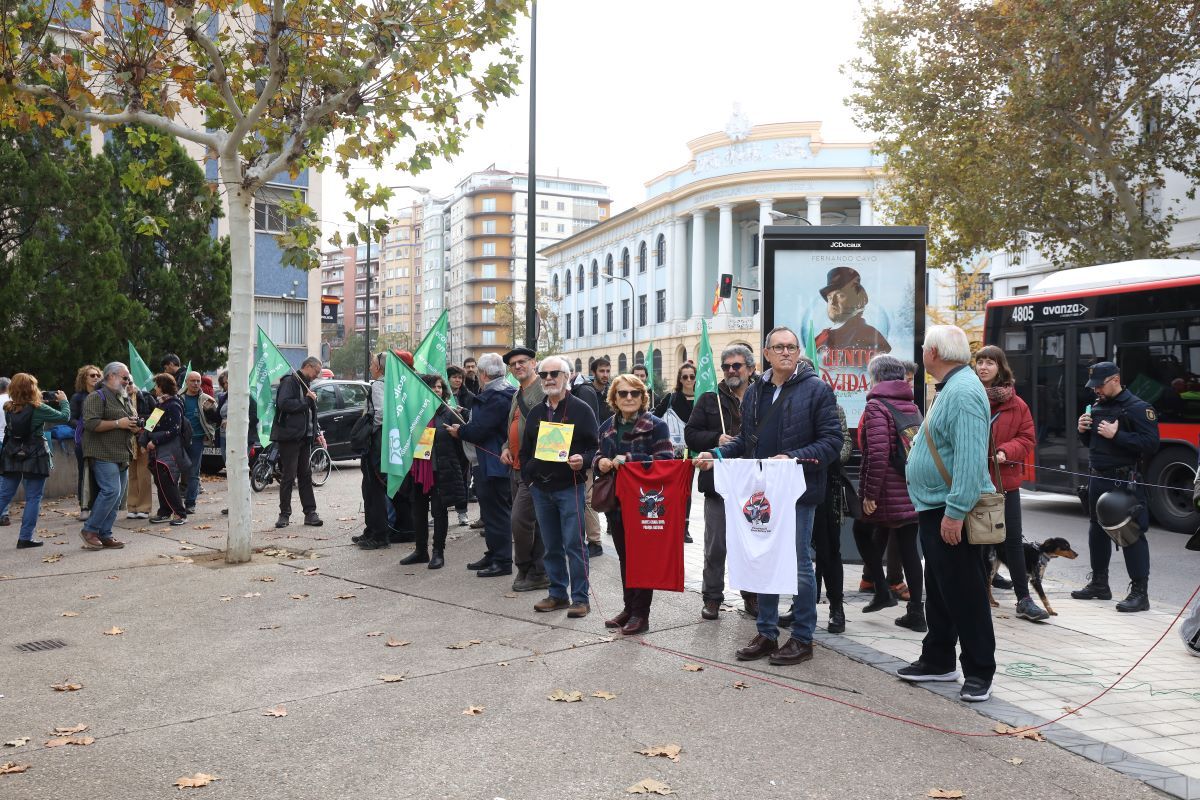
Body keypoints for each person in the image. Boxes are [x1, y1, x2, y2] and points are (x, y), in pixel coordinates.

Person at [696, 326, 843, 667]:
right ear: (766, 354)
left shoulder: (817, 389)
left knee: (800, 565)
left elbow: (832, 441)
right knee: (764, 559)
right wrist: (715, 456)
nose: (786, 352)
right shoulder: (756, 390)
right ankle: (766, 632)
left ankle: (803, 638)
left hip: (798, 492)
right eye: (779, 347)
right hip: (763, 492)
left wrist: (794, 457)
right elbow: (745, 440)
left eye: (791, 347)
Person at [896, 325, 995, 702]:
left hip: (950, 510)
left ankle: (979, 670)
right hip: (935, 505)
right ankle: (938, 660)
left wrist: (955, 512)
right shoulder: (952, 387)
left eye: (924, 347)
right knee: (939, 589)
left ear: (934, 352)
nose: (922, 352)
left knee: (965, 592)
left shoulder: (965, 391)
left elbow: (971, 459)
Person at [1071, 361, 1159, 612]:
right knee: (1096, 531)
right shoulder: (1098, 407)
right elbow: (1094, 444)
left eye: (1099, 385)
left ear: (1115, 380)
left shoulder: (1138, 408)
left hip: (1123, 481)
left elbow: (1151, 444)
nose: (1096, 390)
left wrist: (1117, 435)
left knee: (1130, 533)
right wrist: (1083, 431)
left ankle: (1140, 594)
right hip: (1097, 478)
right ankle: (1100, 584)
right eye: (1093, 386)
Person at [594, 373, 674, 635]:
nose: (629, 398)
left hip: (645, 503)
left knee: (643, 560)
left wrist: (628, 458)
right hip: (616, 503)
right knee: (625, 559)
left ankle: (641, 614)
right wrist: (600, 463)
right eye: (623, 393)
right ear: (614, 398)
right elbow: (597, 454)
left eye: (634, 393)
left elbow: (665, 460)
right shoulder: (607, 425)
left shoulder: (656, 425)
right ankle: (629, 608)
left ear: (642, 397)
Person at [684, 344, 759, 620]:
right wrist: (716, 439)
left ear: (750, 368)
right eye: (726, 366)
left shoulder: (763, 395)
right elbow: (691, 435)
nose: (730, 371)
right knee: (716, 544)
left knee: (751, 544)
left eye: (736, 365)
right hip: (718, 482)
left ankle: (751, 596)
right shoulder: (708, 398)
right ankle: (712, 597)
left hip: (753, 483)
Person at [973, 345, 1047, 622]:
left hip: (1005, 483)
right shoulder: (967, 396)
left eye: (989, 362)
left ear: (1001, 367)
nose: (983, 367)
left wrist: (1006, 450)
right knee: (976, 542)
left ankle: (1023, 599)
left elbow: (1027, 438)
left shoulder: (1017, 404)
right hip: (972, 482)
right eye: (979, 362)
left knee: (1012, 541)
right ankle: (978, 595)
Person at [521, 356, 599, 617]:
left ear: (567, 377)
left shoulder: (580, 409)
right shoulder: (536, 412)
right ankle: (557, 594)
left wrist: (584, 460)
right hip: (541, 489)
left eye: (555, 373)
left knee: (574, 544)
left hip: (570, 487)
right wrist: (529, 479)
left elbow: (594, 447)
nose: (549, 379)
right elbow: (526, 451)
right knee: (551, 545)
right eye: (543, 375)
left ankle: (580, 599)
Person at [856, 354, 926, 631]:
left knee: (860, 531)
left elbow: (877, 454)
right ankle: (916, 612)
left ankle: (882, 590)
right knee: (909, 548)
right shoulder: (911, 405)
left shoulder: (876, 406)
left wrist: (869, 494)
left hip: (886, 489)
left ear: (875, 377)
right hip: (910, 487)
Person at [447, 352, 516, 577]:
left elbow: (479, 430)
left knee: (496, 513)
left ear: (484, 374)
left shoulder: (497, 396)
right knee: (490, 511)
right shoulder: (502, 392)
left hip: (493, 463)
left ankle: (502, 560)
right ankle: (494, 553)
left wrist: (460, 431)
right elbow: (485, 421)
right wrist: (467, 413)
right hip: (489, 462)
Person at [400, 374, 467, 569]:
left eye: (439, 386)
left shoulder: (449, 412)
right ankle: (421, 551)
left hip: (441, 470)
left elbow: (463, 442)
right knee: (418, 512)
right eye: (432, 386)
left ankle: (438, 552)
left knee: (439, 511)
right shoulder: (414, 413)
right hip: (418, 470)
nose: (437, 389)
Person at [499, 347, 550, 592]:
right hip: (516, 467)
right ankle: (536, 571)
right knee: (531, 522)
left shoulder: (543, 390)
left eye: (522, 362)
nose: (518, 366)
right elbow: (512, 425)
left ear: (534, 363)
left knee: (519, 520)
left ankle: (527, 567)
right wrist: (506, 447)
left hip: (534, 469)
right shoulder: (516, 394)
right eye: (513, 364)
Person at [0, 373, 69, 547]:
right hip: (35, 454)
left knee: (4, 495)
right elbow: (64, 416)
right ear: (33, 389)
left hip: (12, 452)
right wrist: (64, 400)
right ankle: (25, 538)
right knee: (33, 497)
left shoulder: (8, 407)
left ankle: (26, 537)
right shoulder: (39, 409)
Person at [80, 362, 140, 550]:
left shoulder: (123, 397)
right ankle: (90, 530)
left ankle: (105, 534)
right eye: (124, 377)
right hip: (102, 453)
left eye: (128, 378)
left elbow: (128, 421)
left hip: (122, 453)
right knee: (111, 491)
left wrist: (134, 425)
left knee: (118, 495)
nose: (127, 381)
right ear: (111, 376)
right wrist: (118, 423)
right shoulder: (95, 397)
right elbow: (90, 424)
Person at [270, 357, 325, 529]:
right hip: (290, 437)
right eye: (316, 372)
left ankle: (310, 513)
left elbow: (310, 414)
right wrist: (307, 401)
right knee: (288, 476)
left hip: (304, 437)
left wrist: (317, 432)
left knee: (305, 475)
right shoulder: (290, 382)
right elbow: (284, 404)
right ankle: (284, 514)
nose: (316, 376)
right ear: (308, 366)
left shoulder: (306, 383)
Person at [654, 361, 697, 542]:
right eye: (684, 376)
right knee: (671, 490)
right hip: (673, 452)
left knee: (686, 490)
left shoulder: (703, 398)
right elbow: (654, 417)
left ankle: (684, 527)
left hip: (693, 451)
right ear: (680, 379)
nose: (688, 380)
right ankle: (670, 524)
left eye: (692, 376)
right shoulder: (671, 398)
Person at [355, 353, 391, 550]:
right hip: (387, 442)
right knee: (373, 488)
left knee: (372, 489)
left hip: (376, 444)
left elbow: (381, 414)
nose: (370, 366)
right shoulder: (395, 384)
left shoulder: (378, 385)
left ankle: (378, 534)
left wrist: (371, 430)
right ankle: (372, 530)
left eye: (372, 363)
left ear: (380, 367)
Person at [144, 374, 190, 525]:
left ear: (163, 387)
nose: (155, 389)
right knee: (160, 482)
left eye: (157, 385)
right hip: (158, 451)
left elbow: (174, 430)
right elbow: (150, 425)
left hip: (169, 451)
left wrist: (155, 441)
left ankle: (180, 514)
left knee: (168, 482)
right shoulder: (161, 404)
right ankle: (164, 512)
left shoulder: (174, 404)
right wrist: (144, 438)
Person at [814, 267, 891, 353]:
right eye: (829, 297)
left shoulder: (871, 335)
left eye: (840, 296)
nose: (832, 302)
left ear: (856, 300)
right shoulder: (819, 338)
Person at [179, 371, 217, 514]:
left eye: (198, 381)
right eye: (193, 381)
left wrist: (211, 411)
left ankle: (190, 503)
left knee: (194, 473)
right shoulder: (179, 398)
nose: (196, 384)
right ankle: (174, 504)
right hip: (179, 440)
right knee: (175, 472)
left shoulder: (207, 399)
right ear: (187, 383)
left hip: (197, 440)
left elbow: (216, 419)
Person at [69, 365, 102, 517]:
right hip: (83, 439)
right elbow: (70, 418)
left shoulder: (104, 395)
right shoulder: (77, 398)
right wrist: (85, 425)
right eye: (92, 375)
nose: (96, 377)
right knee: (85, 472)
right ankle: (84, 507)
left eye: (97, 375)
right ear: (84, 378)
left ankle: (98, 506)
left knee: (102, 473)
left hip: (103, 440)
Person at [447, 365, 475, 527]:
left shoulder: (469, 396)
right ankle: (439, 512)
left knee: (462, 477)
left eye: (460, 377)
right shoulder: (440, 395)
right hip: (444, 441)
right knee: (443, 478)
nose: (457, 380)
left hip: (462, 440)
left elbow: (474, 416)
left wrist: (462, 411)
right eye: (454, 377)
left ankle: (462, 512)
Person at [125, 382, 157, 520]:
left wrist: (144, 429)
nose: (128, 385)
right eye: (125, 382)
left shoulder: (146, 396)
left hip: (143, 440)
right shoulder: (119, 399)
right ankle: (132, 506)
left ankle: (144, 507)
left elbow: (157, 415)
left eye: (130, 382)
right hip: (127, 441)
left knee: (144, 474)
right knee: (132, 475)